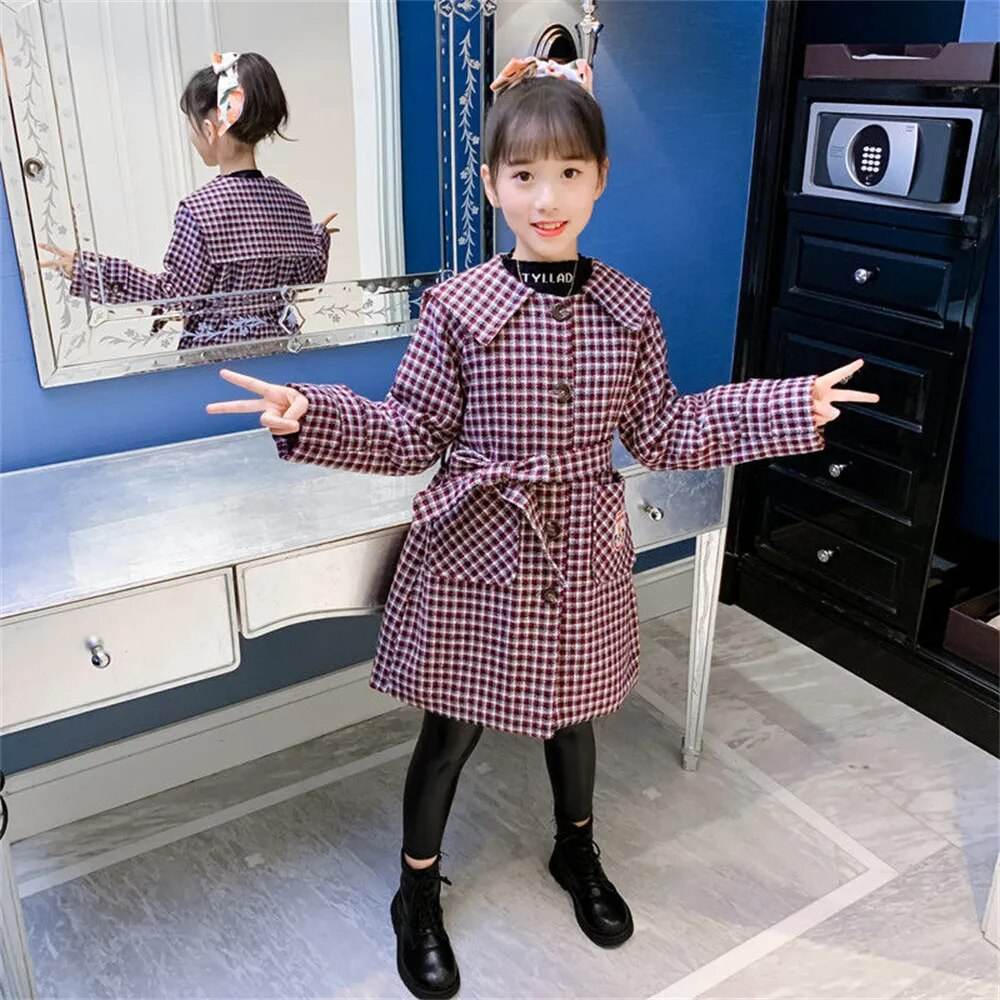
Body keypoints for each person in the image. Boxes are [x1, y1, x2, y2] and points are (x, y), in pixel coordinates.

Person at [205, 56, 879, 1000]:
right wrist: (311, 415)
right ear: (492, 185)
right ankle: (416, 891)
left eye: (569, 172)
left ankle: (577, 850)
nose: (547, 197)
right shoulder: (457, 306)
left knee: (575, 714)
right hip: (473, 553)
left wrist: (788, 405)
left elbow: (665, 430)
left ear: (601, 178)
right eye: (523, 175)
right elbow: (411, 432)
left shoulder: (628, 309)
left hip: (581, 552)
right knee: (450, 733)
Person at [39, 51, 336, 349]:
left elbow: (174, 296)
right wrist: (318, 238)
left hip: (217, 359)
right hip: (280, 353)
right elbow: (305, 279)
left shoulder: (201, 210)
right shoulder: (293, 204)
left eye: (191, 124)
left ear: (209, 130)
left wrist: (90, 270)